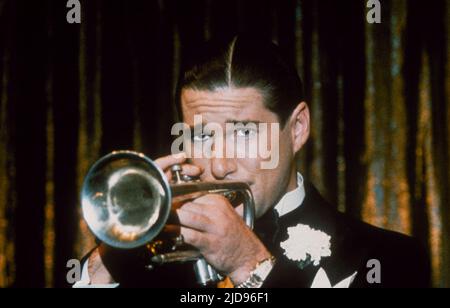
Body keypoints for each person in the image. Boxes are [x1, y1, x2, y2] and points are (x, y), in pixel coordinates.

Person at [75, 36, 430, 288]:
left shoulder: (388, 260)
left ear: (298, 129)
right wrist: (112, 258)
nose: (220, 164)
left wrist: (250, 265)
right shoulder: (148, 264)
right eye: (201, 136)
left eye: (244, 133)